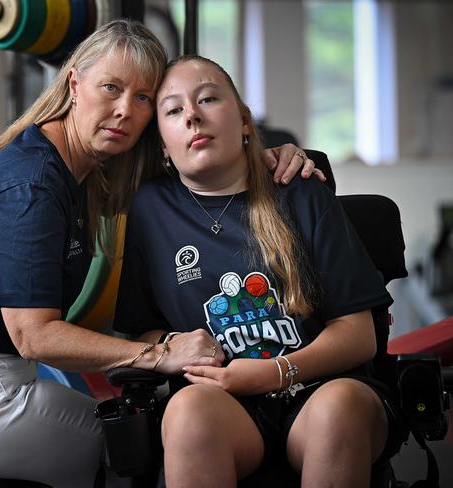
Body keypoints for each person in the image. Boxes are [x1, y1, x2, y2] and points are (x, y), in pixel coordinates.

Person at [0, 21, 317, 487]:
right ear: (74, 84)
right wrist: (158, 351)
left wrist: (261, 156)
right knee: (138, 445)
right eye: (111, 87)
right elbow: (34, 337)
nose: (125, 109)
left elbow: (197, 171)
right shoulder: (31, 185)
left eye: (143, 98)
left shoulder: (76, 170)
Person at [113, 55, 405, 488]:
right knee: (187, 411)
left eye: (208, 98)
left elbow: (359, 334)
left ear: (244, 121)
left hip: (321, 388)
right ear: (162, 144)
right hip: (221, 403)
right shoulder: (148, 211)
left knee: (339, 408)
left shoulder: (300, 190)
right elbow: (140, 333)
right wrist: (173, 344)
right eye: (173, 110)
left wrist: (276, 372)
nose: (192, 115)